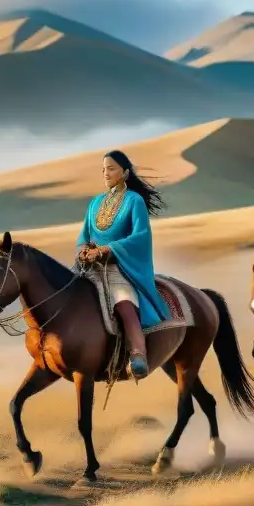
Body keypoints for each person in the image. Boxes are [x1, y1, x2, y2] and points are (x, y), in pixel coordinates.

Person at [75, 150, 170, 380]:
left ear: (125, 172)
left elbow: (140, 236)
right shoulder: (95, 203)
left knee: (124, 303)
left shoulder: (134, 201)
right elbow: (83, 236)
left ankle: (138, 354)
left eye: (111, 168)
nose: (106, 173)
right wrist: (83, 251)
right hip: (91, 269)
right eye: (104, 169)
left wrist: (107, 249)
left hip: (119, 268)